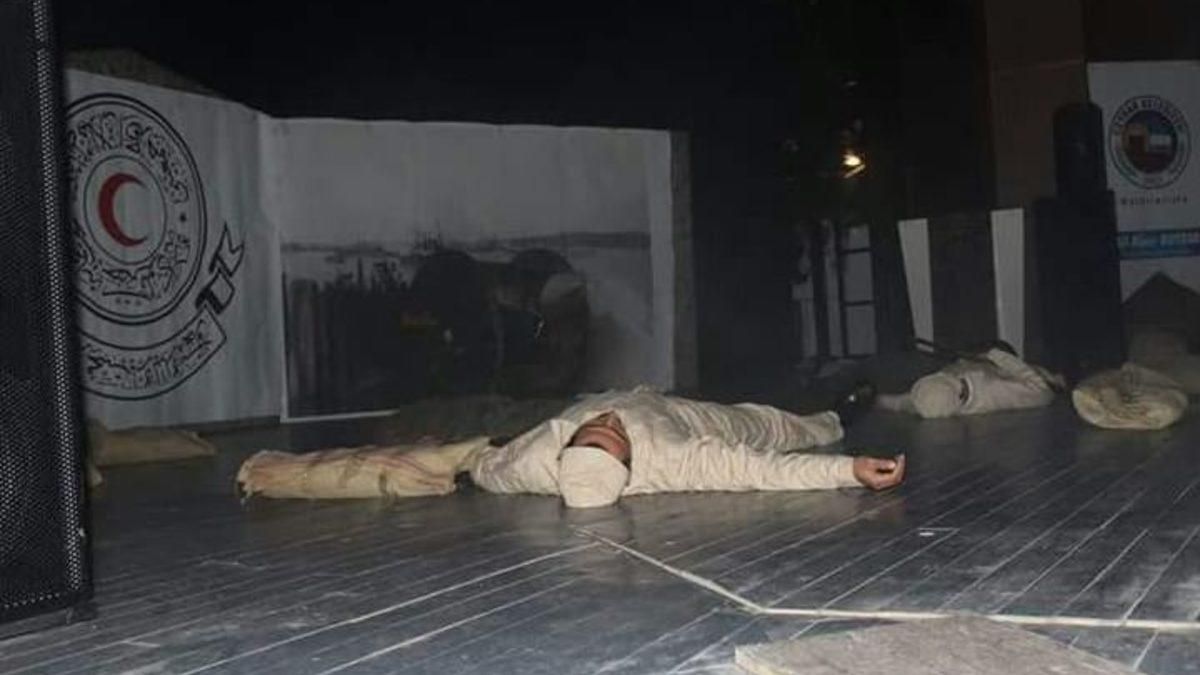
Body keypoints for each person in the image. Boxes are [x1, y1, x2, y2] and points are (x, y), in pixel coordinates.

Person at [468, 387, 905, 509]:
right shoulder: (673, 459)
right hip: (688, 419)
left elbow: (487, 469)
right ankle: (834, 418)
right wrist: (849, 471)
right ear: (630, 459)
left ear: (567, 446)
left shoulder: (533, 461)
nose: (609, 420)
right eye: (616, 434)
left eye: (594, 430)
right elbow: (759, 470)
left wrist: (469, 458)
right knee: (773, 427)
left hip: (628, 391)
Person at [876, 347, 1061, 419]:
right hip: (971, 376)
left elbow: (908, 403)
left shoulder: (940, 398)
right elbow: (1041, 389)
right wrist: (994, 355)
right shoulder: (1035, 392)